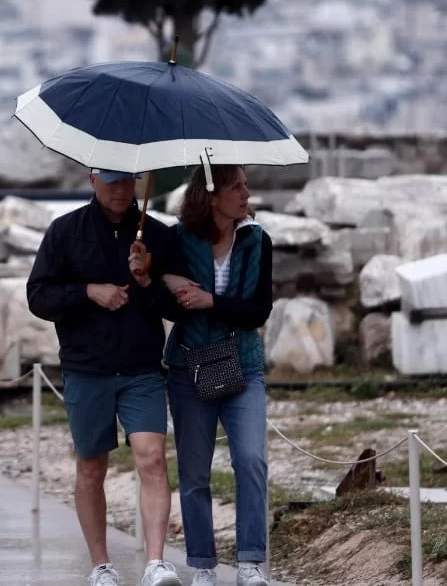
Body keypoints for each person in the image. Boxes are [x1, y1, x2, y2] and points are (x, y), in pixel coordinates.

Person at [27, 169, 183, 586]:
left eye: (128, 180)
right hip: (86, 369)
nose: (121, 189)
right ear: (92, 179)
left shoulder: (157, 234)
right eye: (112, 180)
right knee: (91, 467)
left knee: (152, 458)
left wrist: (146, 279)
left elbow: (177, 307)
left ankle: (155, 563)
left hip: (142, 368)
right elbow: (38, 296)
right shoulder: (65, 231)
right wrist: (88, 292)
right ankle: (101, 565)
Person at [159, 165, 274, 586]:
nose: (246, 194)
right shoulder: (176, 239)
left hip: (244, 362)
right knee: (194, 473)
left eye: (245, 186)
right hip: (189, 365)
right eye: (236, 187)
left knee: (251, 458)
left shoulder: (257, 240)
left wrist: (211, 301)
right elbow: (163, 304)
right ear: (210, 196)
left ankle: (250, 562)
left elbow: (259, 310)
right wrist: (156, 278)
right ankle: (202, 566)